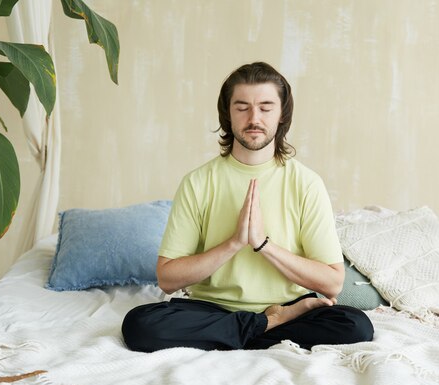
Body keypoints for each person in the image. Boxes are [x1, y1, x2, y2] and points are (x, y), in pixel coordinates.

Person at [122, 62, 373, 352]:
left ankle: (248, 328)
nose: (254, 118)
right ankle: (268, 325)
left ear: (282, 115)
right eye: (242, 107)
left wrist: (263, 244)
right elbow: (167, 279)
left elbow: (332, 284)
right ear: (227, 115)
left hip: (289, 307)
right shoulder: (198, 182)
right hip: (211, 308)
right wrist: (234, 243)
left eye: (266, 108)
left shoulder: (307, 183)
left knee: (356, 325)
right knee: (139, 325)